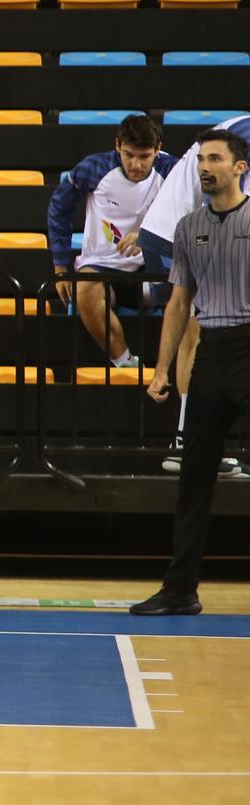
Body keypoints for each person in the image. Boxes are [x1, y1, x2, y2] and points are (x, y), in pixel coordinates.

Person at [132, 130, 250, 617]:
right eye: (201, 159)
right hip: (212, 352)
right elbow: (179, 303)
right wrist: (161, 370)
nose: (205, 167)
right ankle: (180, 589)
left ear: (239, 167)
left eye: (215, 159)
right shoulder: (188, 228)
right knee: (194, 480)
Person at [136, 112, 250, 471]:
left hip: (193, 227)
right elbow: (225, 202)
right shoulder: (240, 132)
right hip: (177, 232)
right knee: (202, 325)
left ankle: (195, 441)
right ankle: (186, 441)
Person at [48, 113, 175, 369]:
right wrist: (60, 266)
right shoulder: (93, 168)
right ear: (118, 146)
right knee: (84, 288)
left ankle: (174, 370)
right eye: (129, 154)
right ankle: (125, 364)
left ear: (158, 150)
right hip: (102, 268)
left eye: (144, 156)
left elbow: (193, 217)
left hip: (152, 271)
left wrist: (150, 237)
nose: (136, 164)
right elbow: (59, 208)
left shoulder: (173, 172)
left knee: (195, 290)